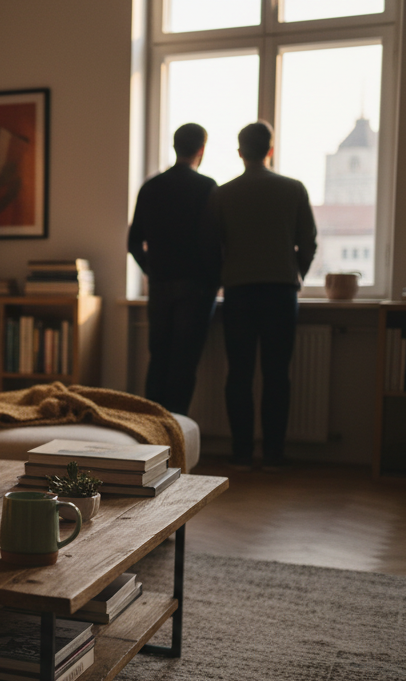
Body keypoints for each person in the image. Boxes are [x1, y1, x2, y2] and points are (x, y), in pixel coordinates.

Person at [211, 121, 317, 470]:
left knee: (238, 375)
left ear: (240, 152)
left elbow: (212, 246)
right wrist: (295, 273)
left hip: (239, 292)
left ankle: (242, 452)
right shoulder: (293, 189)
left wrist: (226, 275)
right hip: (280, 292)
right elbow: (308, 242)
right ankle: (273, 453)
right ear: (270, 150)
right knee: (277, 374)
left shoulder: (223, 194)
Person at [128, 123, 219, 415]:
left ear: (174, 146)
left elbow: (133, 242)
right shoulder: (207, 188)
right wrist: (214, 279)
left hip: (160, 286)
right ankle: (176, 430)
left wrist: (152, 270)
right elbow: (216, 240)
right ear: (201, 150)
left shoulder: (151, 187)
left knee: (158, 360)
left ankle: (153, 428)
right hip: (196, 288)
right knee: (184, 364)